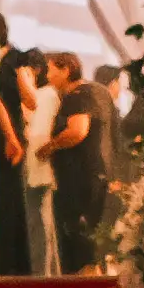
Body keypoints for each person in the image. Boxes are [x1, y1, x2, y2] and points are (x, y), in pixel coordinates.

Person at [41, 49, 110, 275]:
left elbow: (77, 131)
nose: (46, 75)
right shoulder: (91, 93)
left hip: (78, 179)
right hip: (91, 176)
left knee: (79, 238)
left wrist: (50, 146)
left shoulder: (76, 96)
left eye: (50, 70)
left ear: (66, 70)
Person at [0, 51, 64, 277]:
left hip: (36, 166)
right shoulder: (49, 94)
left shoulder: (45, 95)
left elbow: (36, 127)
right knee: (44, 226)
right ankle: (50, 274)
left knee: (38, 227)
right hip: (40, 167)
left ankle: (42, 275)